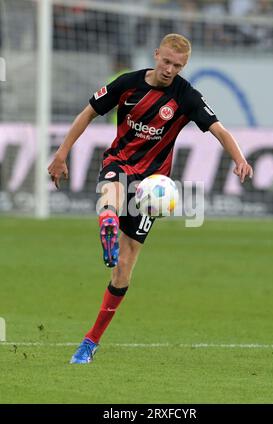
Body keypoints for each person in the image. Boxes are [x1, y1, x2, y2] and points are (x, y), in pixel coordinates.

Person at [48, 33, 253, 364]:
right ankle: (109, 225)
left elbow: (219, 130)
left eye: (178, 65)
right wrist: (61, 154)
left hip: (153, 187)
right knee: (111, 190)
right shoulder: (127, 83)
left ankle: (90, 341)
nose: (170, 69)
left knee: (124, 271)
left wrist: (239, 159)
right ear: (156, 54)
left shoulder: (186, 96)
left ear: (184, 66)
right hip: (119, 163)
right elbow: (87, 112)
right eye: (167, 61)